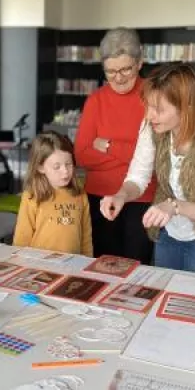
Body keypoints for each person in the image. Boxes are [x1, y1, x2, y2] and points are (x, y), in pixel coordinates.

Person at [101, 64, 195, 276]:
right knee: (163, 296)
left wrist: (174, 207)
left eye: (159, 109)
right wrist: (121, 195)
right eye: (148, 106)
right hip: (169, 233)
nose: (149, 115)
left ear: (187, 106)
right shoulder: (152, 126)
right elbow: (137, 177)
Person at [75, 28, 156, 264]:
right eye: (111, 71)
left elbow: (153, 157)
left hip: (141, 200)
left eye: (125, 69)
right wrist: (132, 152)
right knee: (102, 267)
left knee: (137, 269)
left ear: (140, 63)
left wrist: (107, 146)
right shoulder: (96, 101)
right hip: (99, 199)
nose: (118, 77)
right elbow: (81, 155)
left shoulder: (154, 96)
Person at [13, 132, 92, 257]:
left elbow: (86, 236)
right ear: (40, 167)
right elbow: (22, 238)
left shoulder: (80, 194)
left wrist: (87, 262)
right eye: (57, 167)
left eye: (69, 164)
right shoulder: (32, 196)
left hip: (73, 264)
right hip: (39, 264)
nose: (65, 171)